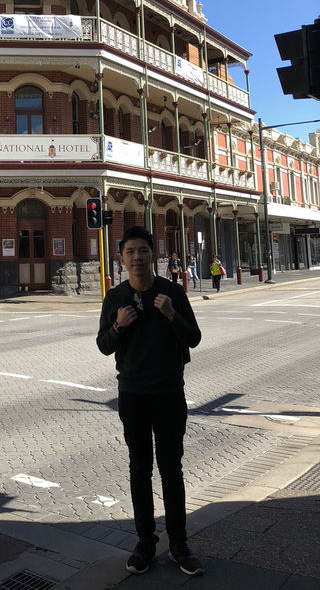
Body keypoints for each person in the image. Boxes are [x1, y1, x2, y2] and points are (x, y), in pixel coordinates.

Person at [96, 226, 204, 577]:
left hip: (169, 393)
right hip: (132, 395)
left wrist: (172, 314)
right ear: (121, 258)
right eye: (131, 252)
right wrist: (118, 327)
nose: (137, 257)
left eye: (143, 251)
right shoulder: (115, 298)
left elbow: (194, 338)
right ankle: (145, 542)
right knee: (139, 469)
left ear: (153, 255)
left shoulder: (172, 292)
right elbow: (103, 345)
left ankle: (179, 543)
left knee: (172, 470)